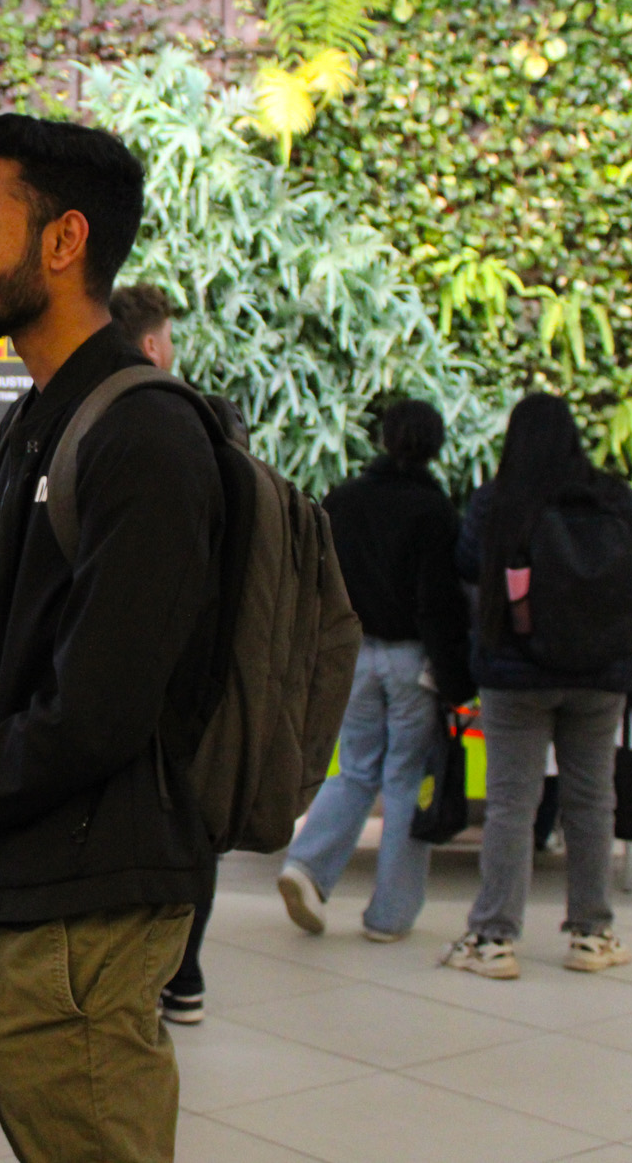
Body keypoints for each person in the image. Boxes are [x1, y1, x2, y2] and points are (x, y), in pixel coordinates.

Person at [0, 114, 225, 1163]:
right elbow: (1, 665)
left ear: (63, 242)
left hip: (92, 905)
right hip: (30, 886)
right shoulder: (41, 419)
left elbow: (97, 708)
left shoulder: (145, 435)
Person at [443, 392, 632, 979]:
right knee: (592, 801)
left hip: (514, 677)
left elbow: (465, 565)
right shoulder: (615, 498)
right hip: (600, 679)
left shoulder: (497, 502)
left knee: (513, 803)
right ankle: (592, 933)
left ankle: (493, 938)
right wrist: (616, 647)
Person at [278, 400, 476, 943]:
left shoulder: (347, 499)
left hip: (355, 654)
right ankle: (389, 916)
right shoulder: (436, 511)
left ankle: (308, 866)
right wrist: (458, 681)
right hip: (412, 660)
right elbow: (440, 602)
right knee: (405, 778)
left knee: (357, 768)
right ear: (435, 446)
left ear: (384, 439)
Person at [107, 282, 216, 1028]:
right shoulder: (189, 427)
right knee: (186, 820)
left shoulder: (138, 426)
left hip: (150, 687)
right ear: (152, 345)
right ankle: (180, 972)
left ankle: (167, 971)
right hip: (186, 683)